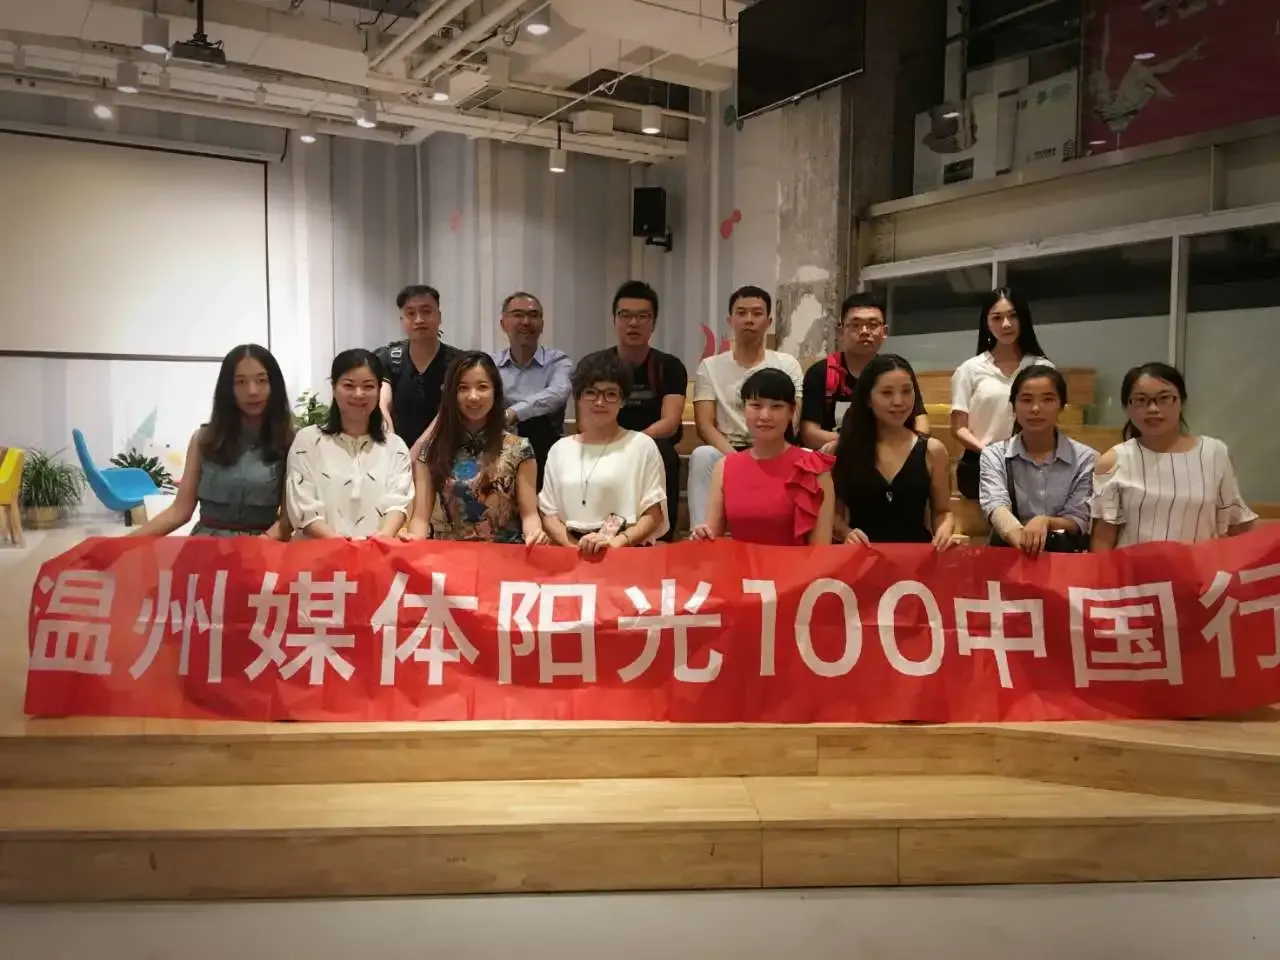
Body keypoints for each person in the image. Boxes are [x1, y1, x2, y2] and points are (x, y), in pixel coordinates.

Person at [132, 344, 293, 538]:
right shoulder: (203, 439)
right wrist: (122, 544)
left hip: (263, 547)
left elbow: (288, 520)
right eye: (240, 382)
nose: (252, 391)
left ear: (274, 385)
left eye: (262, 380)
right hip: (207, 547)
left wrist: (261, 543)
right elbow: (180, 511)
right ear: (228, 389)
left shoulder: (290, 443)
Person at [1091, 362, 1256, 549]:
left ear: (1182, 402)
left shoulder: (1215, 453)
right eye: (1140, 400)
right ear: (1127, 407)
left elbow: (1236, 524)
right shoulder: (1113, 462)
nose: (1153, 408)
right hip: (1135, 567)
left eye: (1164, 398)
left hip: (1200, 566)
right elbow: (1103, 538)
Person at [689, 285, 804, 527]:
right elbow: (704, 425)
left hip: (775, 445)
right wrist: (738, 460)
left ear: (769, 321)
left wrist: (763, 451)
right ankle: (701, 533)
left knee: (810, 458)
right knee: (702, 456)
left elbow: (793, 417)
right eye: (741, 313)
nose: (749, 319)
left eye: (757, 313)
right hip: (726, 448)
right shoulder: (710, 366)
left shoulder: (787, 364)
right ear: (730, 320)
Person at [404, 352, 546, 545]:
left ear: (495, 392)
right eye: (463, 388)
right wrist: (413, 540)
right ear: (452, 394)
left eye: (482, 387)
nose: (473, 396)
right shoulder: (431, 451)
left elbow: (529, 515)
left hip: (505, 556)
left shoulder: (520, 449)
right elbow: (420, 518)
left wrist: (535, 534)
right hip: (448, 555)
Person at [538, 351, 669, 553]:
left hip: (625, 552)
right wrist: (575, 548)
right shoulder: (560, 449)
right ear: (579, 398)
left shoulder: (642, 446)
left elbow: (653, 513)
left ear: (622, 400)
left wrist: (616, 544)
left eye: (610, 394)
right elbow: (549, 514)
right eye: (591, 393)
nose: (600, 402)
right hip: (571, 553)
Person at [691, 368, 834, 547]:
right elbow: (713, 535)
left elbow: (820, 549)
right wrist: (702, 535)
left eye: (777, 406)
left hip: (797, 565)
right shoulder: (724, 467)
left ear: (792, 411)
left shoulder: (814, 468)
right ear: (744, 409)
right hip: (739, 564)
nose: (765, 416)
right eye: (756, 406)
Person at [595, 280, 688, 542]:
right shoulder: (597, 365)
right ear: (614, 320)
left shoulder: (669, 366)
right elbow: (587, 420)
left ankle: (663, 538)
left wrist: (634, 443)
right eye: (625, 315)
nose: (633, 323)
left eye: (642, 316)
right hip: (605, 442)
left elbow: (670, 421)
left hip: (652, 445)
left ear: (653, 323)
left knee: (664, 452)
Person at [833, 354, 958, 549]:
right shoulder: (842, 450)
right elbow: (833, 516)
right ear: (868, 398)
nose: (899, 401)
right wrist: (846, 533)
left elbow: (942, 511)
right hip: (862, 557)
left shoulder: (933, 451)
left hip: (917, 559)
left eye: (907, 391)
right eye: (887, 393)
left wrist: (944, 531)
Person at [287, 349, 413, 539]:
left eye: (368, 386)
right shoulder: (308, 440)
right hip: (317, 554)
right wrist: (340, 545)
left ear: (379, 390)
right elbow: (302, 505)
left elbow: (398, 501)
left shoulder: (395, 447)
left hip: (376, 552)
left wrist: (383, 538)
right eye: (348, 385)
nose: (358, 394)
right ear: (333, 387)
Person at [979, 364, 1095, 555]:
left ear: (1062, 406)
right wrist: (1026, 546)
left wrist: (1046, 521)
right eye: (1026, 400)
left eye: (1047, 399)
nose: (1035, 408)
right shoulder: (994, 455)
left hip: (1064, 558)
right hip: (1011, 555)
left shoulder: (1086, 458)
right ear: (1013, 406)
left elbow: (1078, 518)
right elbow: (996, 506)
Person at [950, 287, 1052, 499]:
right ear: (986, 323)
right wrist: (989, 453)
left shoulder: (1042, 368)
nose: (1006, 324)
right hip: (980, 464)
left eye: (1013, 316)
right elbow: (958, 428)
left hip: (1032, 463)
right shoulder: (969, 369)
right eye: (997, 318)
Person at [800, 292, 928, 451]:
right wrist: (869, 443)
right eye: (856, 325)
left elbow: (921, 422)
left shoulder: (897, 371)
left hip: (890, 457)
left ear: (885, 332)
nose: (865, 331)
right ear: (841, 332)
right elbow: (810, 434)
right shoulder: (821, 373)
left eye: (873, 325)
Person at [492, 291, 572, 489]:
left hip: (547, 455)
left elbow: (559, 392)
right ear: (503, 323)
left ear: (542, 324)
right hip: (499, 454)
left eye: (533, 315)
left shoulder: (558, 361)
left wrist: (513, 412)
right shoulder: (490, 364)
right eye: (518, 314)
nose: (526, 321)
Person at [374, 284, 459, 455]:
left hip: (445, 453)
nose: (419, 319)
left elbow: (448, 411)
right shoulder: (387, 358)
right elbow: (383, 403)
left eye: (426, 312)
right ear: (402, 320)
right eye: (411, 313)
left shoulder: (458, 362)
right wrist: (393, 446)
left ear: (439, 317)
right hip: (396, 452)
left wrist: (418, 450)